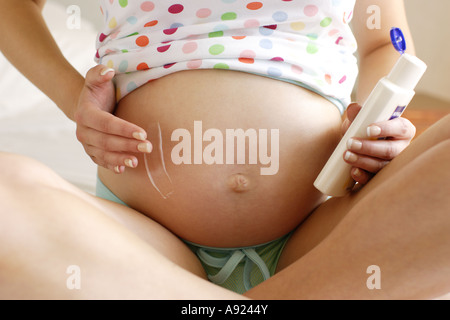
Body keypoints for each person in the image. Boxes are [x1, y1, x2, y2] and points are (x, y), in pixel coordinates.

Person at [0, 0, 449, 299]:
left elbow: (384, 42)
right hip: (141, 239)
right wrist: (70, 97)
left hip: (319, 232)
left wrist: (379, 118)